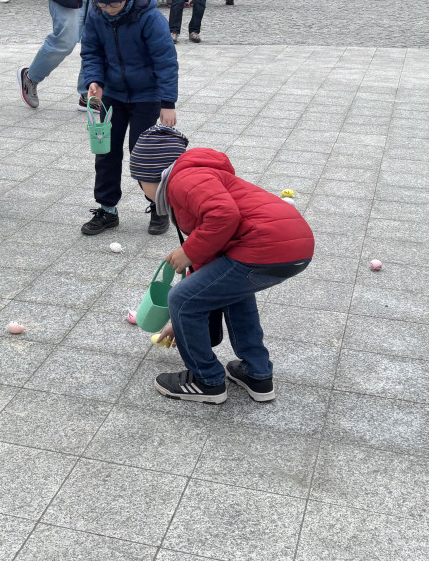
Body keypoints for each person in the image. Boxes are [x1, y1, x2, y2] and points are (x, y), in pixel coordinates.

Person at [129, 125, 315, 403]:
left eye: (139, 181)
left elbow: (223, 216)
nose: (142, 189)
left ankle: (207, 381)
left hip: (264, 247)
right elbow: (215, 260)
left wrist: (188, 251)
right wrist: (182, 324)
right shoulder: (199, 176)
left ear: (153, 174)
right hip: (293, 247)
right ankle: (258, 375)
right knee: (233, 295)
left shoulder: (183, 179)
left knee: (180, 298)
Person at [80, 0, 178, 237]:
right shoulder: (97, 14)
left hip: (147, 96)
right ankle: (107, 209)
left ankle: (158, 206)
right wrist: (94, 80)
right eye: (102, 5)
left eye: (113, 5)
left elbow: (166, 60)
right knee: (106, 151)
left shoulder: (149, 17)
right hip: (113, 95)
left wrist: (167, 102)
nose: (107, 10)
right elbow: (91, 51)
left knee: (143, 152)